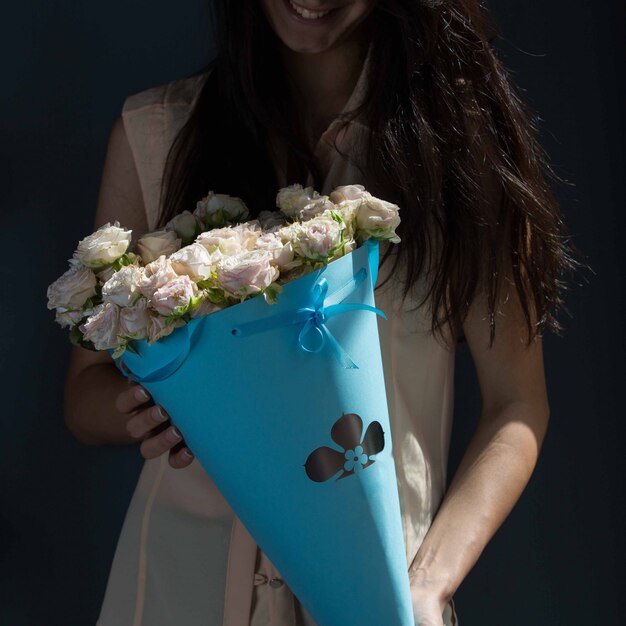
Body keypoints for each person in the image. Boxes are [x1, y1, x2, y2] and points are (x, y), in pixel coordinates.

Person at [63, 1, 580, 625]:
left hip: (375, 594)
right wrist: (147, 414)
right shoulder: (156, 132)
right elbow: (84, 397)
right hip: (178, 585)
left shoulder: (458, 145)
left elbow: (517, 405)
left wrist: (427, 584)